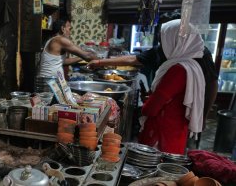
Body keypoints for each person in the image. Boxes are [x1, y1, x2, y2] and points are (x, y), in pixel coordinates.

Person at [87, 16, 218, 136]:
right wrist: (100, 62)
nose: (162, 42)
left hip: (165, 127)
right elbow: (134, 59)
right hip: (178, 125)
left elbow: (151, 109)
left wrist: (203, 116)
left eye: (165, 38)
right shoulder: (172, 50)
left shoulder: (183, 67)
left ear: (177, 38)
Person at [138, 19, 206, 154]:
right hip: (175, 132)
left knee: (158, 173)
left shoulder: (178, 70)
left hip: (162, 137)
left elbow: (151, 109)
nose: (162, 45)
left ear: (177, 41)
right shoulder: (192, 65)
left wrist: (146, 103)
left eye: (164, 40)